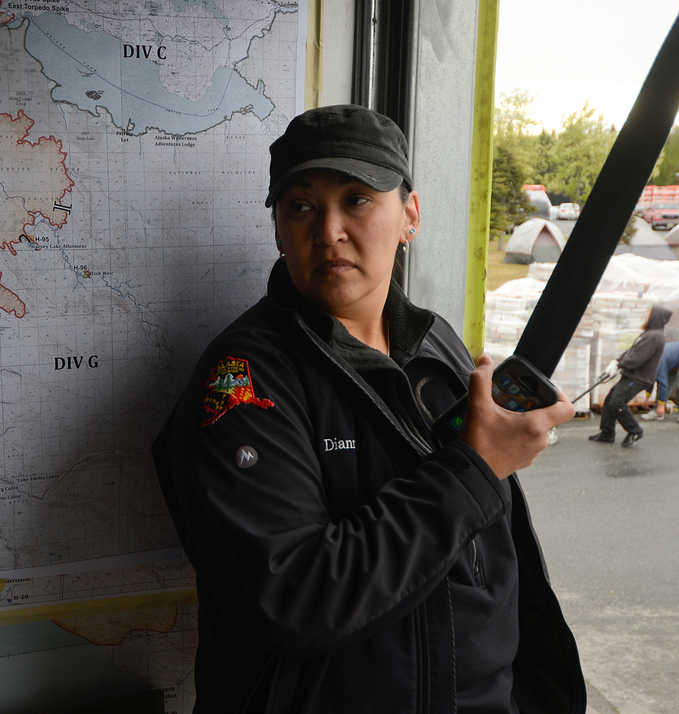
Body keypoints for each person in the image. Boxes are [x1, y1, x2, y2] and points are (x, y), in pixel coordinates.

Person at [152, 105, 585, 712]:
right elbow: (294, 598)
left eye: (357, 199)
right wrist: (477, 468)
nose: (328, 231)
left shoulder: (437, 344)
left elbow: (493, 557)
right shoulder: (243, 381)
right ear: (278, 227)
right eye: (301, 207)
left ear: (409, 215)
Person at [588, 305, 671, 447]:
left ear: (654, 317)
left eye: (648, 313)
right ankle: (607, 433)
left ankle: (635, 430)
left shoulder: (655, 336)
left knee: (616, 402)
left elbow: (637, 358)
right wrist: (617, 361)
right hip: (632, 375)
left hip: (639, 378)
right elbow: (631, 351)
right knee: (609, 401)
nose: (646, 316)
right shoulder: (649, 334)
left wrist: (621, 365)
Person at [641, 341, 679, 424]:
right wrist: (646, 399)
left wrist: (661, 405)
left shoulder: (658, 362)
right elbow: (650, 381)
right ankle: (656, 411)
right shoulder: (647, 363)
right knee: (668, 385)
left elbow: (662, 384)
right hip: (673, 361)